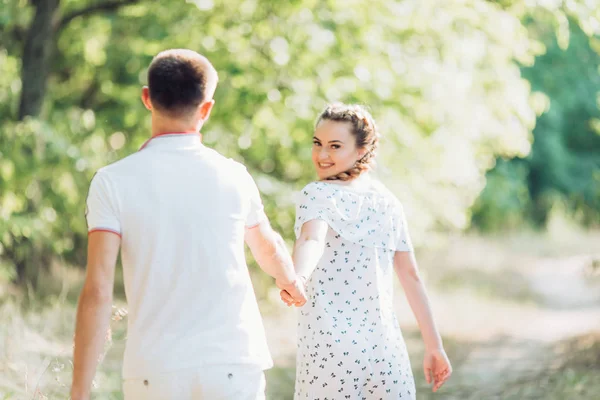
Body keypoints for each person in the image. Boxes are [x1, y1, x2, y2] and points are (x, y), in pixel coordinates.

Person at [70, 49, 307, 400]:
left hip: (155, 369)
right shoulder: (233, 175)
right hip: (234, 361)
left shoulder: (112, 182)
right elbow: (268, 247)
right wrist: (290, 281)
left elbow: (98, 291)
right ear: (206, 109)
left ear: (147, 99)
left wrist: (79, 390)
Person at [280, 103, 452, 399]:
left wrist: (298, 277)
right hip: (385, 353)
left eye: (335, 146)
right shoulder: (389, 202)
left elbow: (311, 240)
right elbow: (411, 277)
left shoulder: (317, 194)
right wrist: (434, 346)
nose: (322, 156)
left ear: (361, 150)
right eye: (317, 144)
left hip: (330, 352)